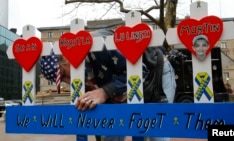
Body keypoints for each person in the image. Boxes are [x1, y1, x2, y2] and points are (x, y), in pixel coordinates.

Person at [40, 29, 176, 141]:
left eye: (63, 74)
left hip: (155, 74)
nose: (68, 81)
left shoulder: (100, 46)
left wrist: (104, 92)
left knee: (156, 127)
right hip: (122, 87)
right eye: (61, 80)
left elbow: (140, 70)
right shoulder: (82, 70)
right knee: (111, 130)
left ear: (65, 57)